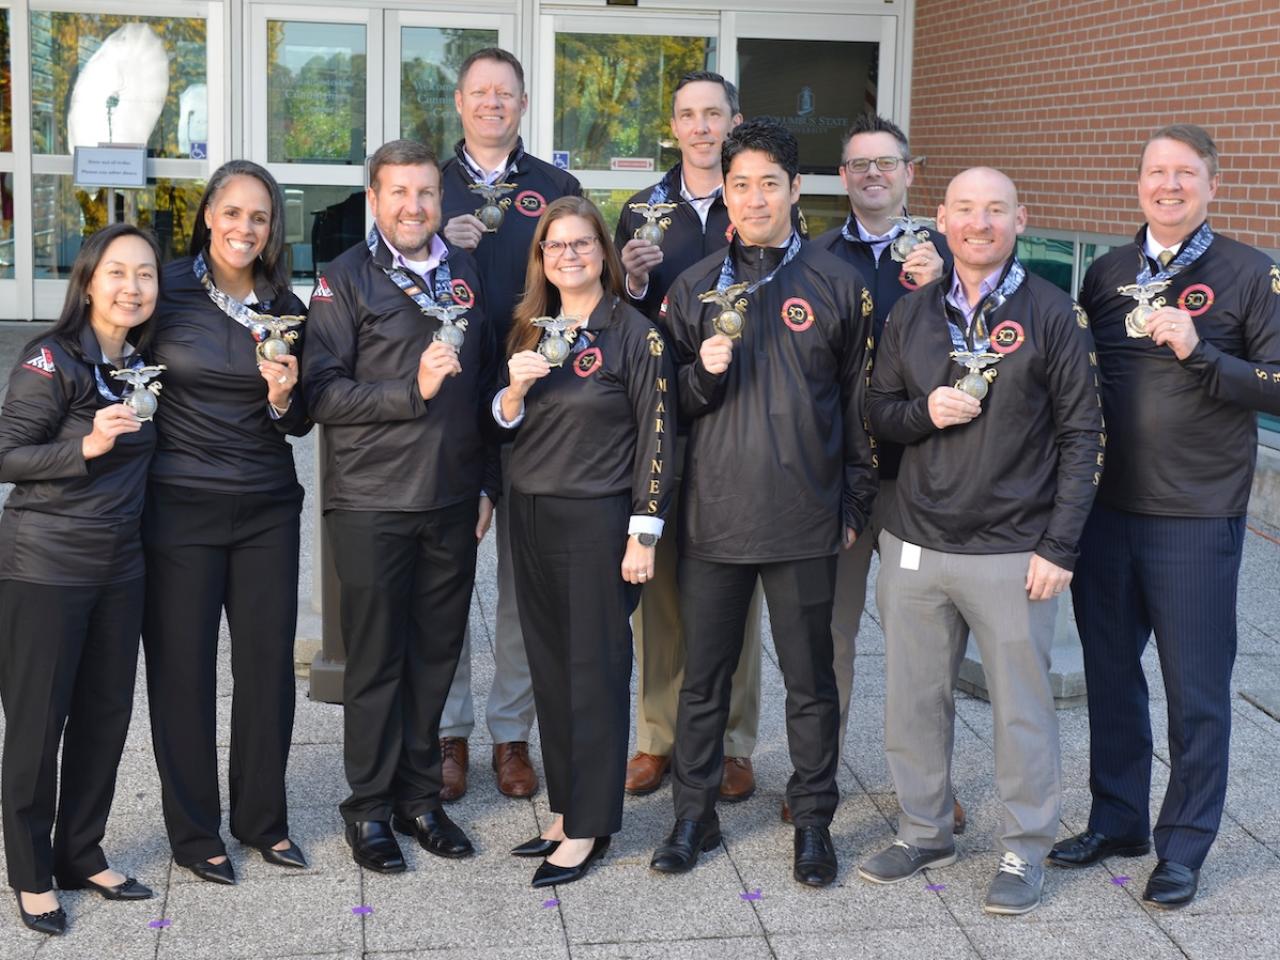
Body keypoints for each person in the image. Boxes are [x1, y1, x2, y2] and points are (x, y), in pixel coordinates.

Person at [859, 167, 1103, 916]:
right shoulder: (912, 312)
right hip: (915, 541)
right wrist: (924, 412)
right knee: (912, 700)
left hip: (1011, 548)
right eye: (964, 209)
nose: (979, 222)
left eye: (995, 210)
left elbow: (1084, 434)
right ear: (940, 218)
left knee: (1021, 709)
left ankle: (1025, 847)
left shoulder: (1054, 312)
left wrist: (1059, 547)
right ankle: (925, 828)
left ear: (1020, 219)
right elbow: (878, 411)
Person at [1049, 124, 1280, 909]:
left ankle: (1183, 846)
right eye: (1156, 172)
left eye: (1186, 173)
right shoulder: (1109, 273)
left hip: (1195, 516)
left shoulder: (1252, 273)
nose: (1170, 184)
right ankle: (1117, 820)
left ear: (1213, 185)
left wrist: (1203, 354)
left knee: (1196, 690)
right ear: (1139, 183)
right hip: (1106, 512)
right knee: (1111, 679)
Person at [649, 119, 875, 888]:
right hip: (713, 517)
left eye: (768, 183)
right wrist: (702, 375)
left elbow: (859, 407)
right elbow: (662, 407)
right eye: (739, 183)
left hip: (806, 517)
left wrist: (852, 498)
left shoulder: (838, 285)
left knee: (811, 683)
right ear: (726, 191)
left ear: (795, 190)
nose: (752, 197)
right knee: (703, 677)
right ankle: (693, 813)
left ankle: (813, 821)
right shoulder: (693, 288)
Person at [302, 139, 498, 874]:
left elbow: (481, 389)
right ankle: (368, 809)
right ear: (375, 201)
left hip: (451, 500)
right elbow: (321, 394)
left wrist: (486, 484)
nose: (414, 206)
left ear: (439, 201)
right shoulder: (343, 280)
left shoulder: (464, 273)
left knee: (435, 658)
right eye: (399, 194)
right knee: (378, 663)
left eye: (425, 194)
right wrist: (408, 390)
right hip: (373, 502)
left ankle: (420, 799)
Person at [496, 196, 674, 887]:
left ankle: (593, 824)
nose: (568, 255)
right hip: (531, 514)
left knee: (596, 672)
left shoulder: (635, 334)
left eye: (580, 243)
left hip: (599, 521)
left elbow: (659, 437)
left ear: (603, 250)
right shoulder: (527, 331)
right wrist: (510, 396)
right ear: (542, 257)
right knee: (551, 668)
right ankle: (568, 807)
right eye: (554, 246)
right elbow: (504, 424)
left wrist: (643, 532)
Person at [143, 160, 310, 886]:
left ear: (274, 230)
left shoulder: (286, 304)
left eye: (261, 217)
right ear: (209, 214)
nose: (246, 228)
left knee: (268, 670)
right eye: (234, 212)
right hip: (179, 505)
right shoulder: (167, 290)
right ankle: (194, 831)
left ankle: (262, 821)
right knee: (182, 671)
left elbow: (302, 419)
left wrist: (282, 396)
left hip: (267, 507)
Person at [0, 224, 162, 934]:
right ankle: (32, 875)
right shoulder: (50, 358)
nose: (132, 287)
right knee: (37, 728)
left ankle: (80, 852)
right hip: (45, 568)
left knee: (104, 718)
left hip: (119, 569)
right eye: (118, 272)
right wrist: (86, 444)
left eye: (146, 275)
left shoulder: (143, 364)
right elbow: (8, 455)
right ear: (89, 280)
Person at [612, 70, 764, 803]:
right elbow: (615, 318)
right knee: (663, 587)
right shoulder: (644, 210)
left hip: (743, 422)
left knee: (735, 590)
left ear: (734, 121)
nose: (701, 127)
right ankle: (658, 737)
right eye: (688, 115)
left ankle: (734, 742)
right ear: (672, 126)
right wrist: (633, 285)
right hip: (665, 419)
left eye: (714, 114)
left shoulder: (757, 199)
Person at [436, 46, 584, 802]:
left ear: (523, 105)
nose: (493, 103)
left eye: (507, 94)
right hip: (449, 411)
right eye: (480, 92)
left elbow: (586, 289)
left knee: (524, 589)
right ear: (459, 102)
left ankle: (511, 734)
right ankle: (450, 732)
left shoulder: (556, 187)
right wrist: (438, 241)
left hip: (539, 408)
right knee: (449, 575)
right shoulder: (426, 189)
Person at [812, 114, 952, 786]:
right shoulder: (812, 257)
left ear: (909, 172)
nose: (873, 174)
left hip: (917, 480)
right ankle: (820, 777)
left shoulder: (952, 258)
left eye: (886, 163)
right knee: (829, 638)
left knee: (919, 644)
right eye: (860, 164)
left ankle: (924, 788)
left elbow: (984, 366)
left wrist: (944, 295)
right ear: (843, 177)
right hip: (838, 478)